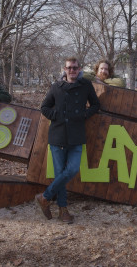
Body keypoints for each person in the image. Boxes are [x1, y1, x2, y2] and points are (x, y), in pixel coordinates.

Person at [36, 57, 100, 223]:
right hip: (57, 135)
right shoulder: (56, 87)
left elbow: (95, 105)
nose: (72, 70)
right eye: (69, 68)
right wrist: (56, 116)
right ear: (64, 69)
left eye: (75, 68)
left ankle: (45, 197)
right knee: (60, 174)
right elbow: (44, 107)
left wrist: (83, 115)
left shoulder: (85, 85)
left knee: (71, 170)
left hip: (76, 134)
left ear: (79, 69)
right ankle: (63, 211)